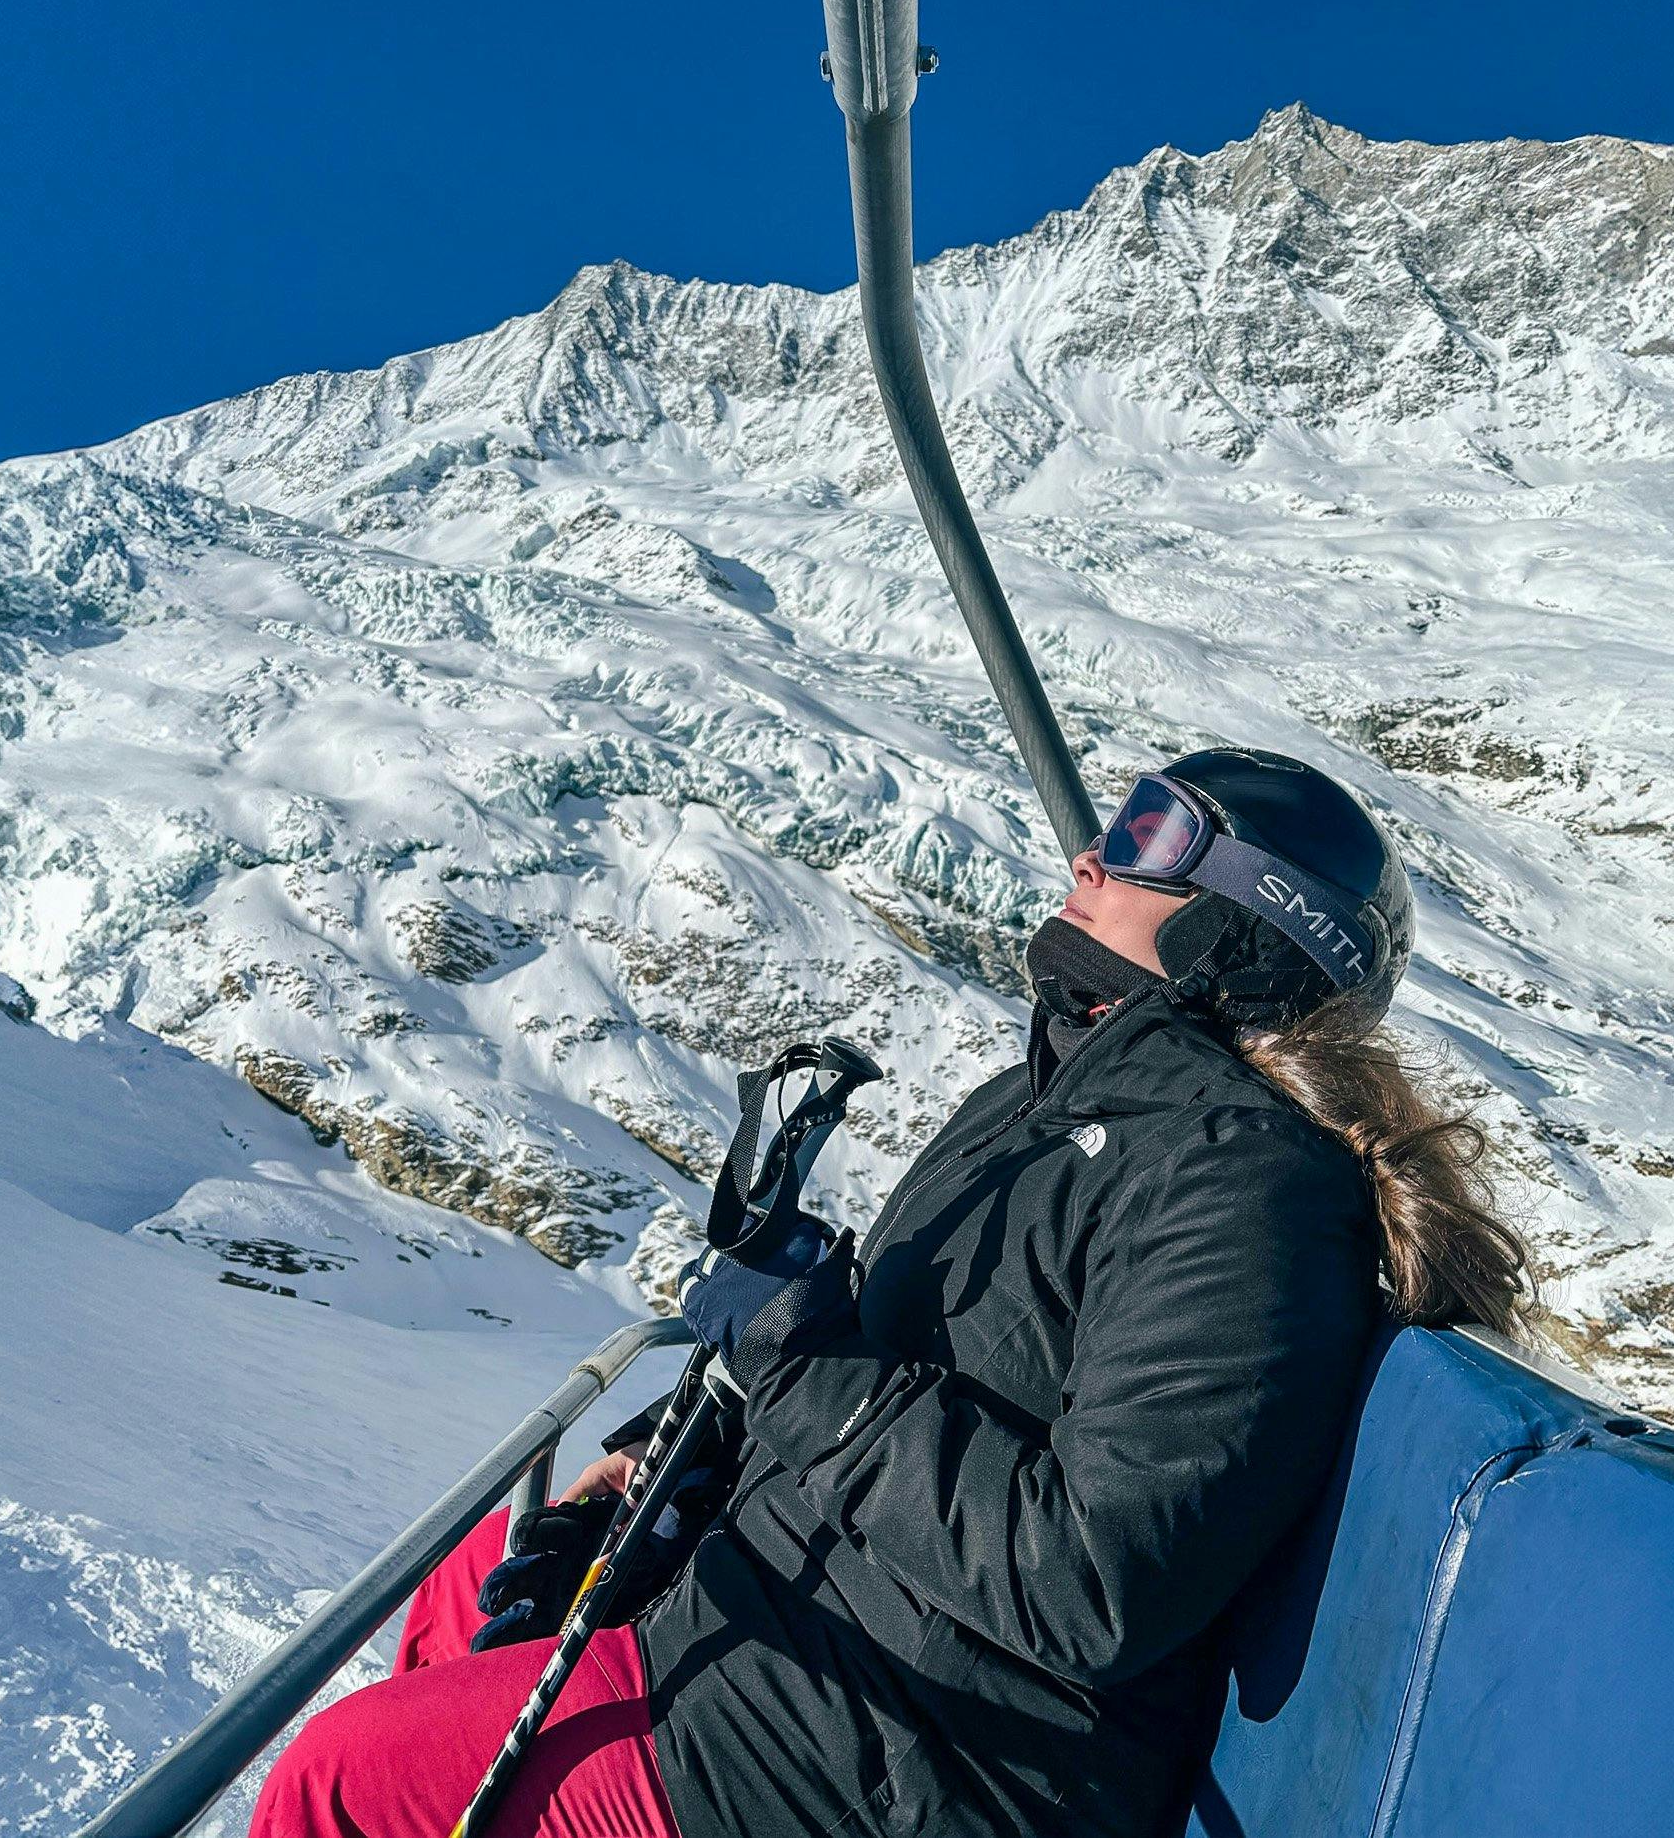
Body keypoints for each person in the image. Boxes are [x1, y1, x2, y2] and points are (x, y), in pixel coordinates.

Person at [251, 745, 1528, 1838]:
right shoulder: (1038, 1099)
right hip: (806, 1621)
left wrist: (801, 1366)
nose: (1092, 854)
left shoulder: (1239, 1188)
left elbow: (1095, 1580)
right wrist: (676, 1455)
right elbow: (891, 1346)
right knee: (465, 1588)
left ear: (1246, 923)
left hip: (910, 1758)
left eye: (1152, 832)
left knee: (337, 1784)